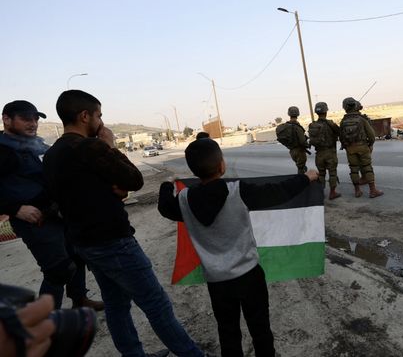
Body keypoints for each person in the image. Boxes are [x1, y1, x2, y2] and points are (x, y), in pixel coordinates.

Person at [43, 90, 204, 357]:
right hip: (112, 240)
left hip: (84, 241)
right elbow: (134, 179)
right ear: (85, 116)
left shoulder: (53, 154)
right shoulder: (90, 147)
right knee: (156, 303)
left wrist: (110, 191)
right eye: (99, 116)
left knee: (116, 304)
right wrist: (111, 146)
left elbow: (76, 193)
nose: (102, 122)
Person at [157, 138, 318, 357]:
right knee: (260, 328)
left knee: (228, 331)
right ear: (222, 166)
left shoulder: (183, 201)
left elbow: (165, 207)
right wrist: (306, 178)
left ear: (194, 171)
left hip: (217, 282)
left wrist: (168, 183)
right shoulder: (238, 191)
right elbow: (278, 191)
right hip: (249, 275)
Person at [0, 100, 103, 311]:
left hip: (57, 212)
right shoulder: (3, 151)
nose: (33, 123)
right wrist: (15, 209)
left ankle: (79, 299)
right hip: (34, 218)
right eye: (26, 118)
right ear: (6, 119)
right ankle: (46, 319)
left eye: (36, 119)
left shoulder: (35, 145)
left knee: (77, 256)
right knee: (59, 270)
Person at [339, 97, 384, 198]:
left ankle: (357, 191)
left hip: (350, 149)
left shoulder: (343, 121)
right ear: (355, 106)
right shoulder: (361, 119)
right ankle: (373, 191)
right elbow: (372, 135)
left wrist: (347, 147)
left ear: (344, 107)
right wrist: (369, 145)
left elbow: (341, 136)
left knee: (354, 169)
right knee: (367, 167)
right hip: (363, 147)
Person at [308, 102, 341, 200]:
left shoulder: (312, 125)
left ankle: (320, 193)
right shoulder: (330, 124)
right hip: (330, 152)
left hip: (319, 154)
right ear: (326, 111)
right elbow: (339, 132)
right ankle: (332, 193)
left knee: (321, 174)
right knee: (332, 173)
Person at [275, 106, 308, 174]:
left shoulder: (286, 126)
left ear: (289, 114)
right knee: (301, 170)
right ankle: (301, 182)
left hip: (292, 151)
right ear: (298, 114)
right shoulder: (297, 127)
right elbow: (302, 141)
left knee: (300, 167)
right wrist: (307, 144)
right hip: (299, 151)